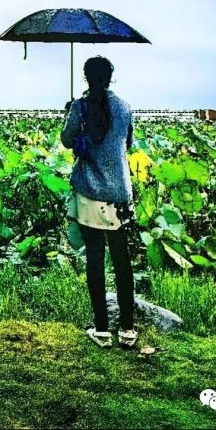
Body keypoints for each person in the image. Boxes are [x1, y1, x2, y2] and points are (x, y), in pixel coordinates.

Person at [60, 55, 137, 350]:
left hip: (90, 191)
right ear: (111, 76)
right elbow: (126, 145)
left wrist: (71, 115)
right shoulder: (124, 108)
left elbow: (67, 142)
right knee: (121, 261)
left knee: (95, 258)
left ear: (85, 77)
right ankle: (128, 330)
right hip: (118, 193)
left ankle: (102, 330)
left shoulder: (80, 107)